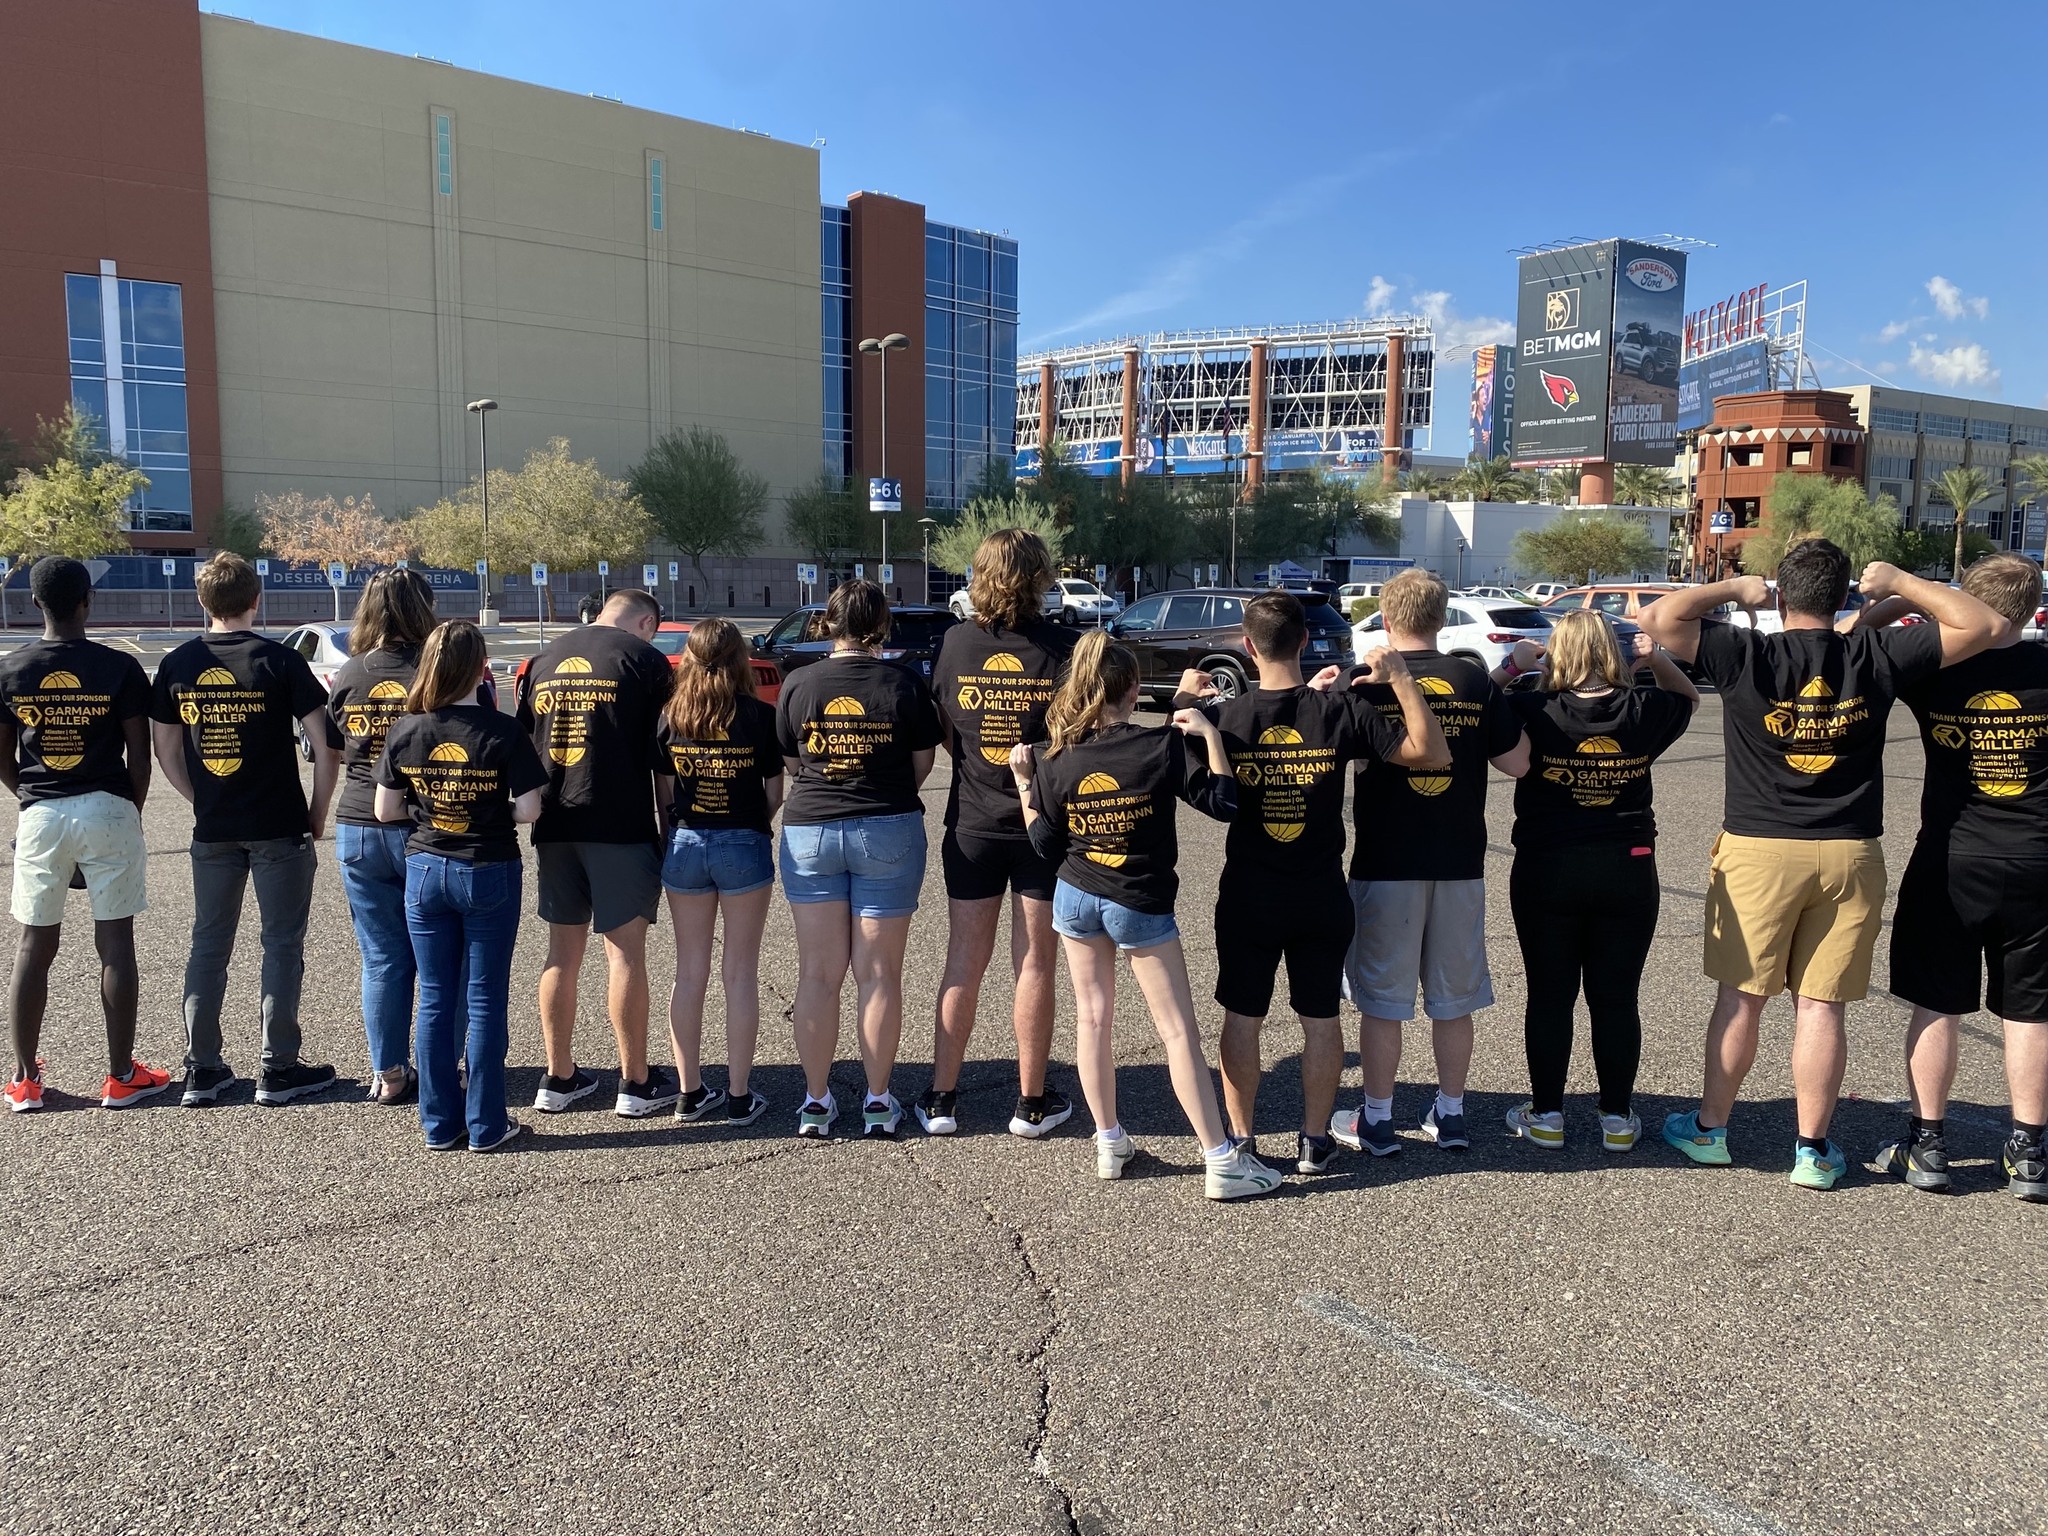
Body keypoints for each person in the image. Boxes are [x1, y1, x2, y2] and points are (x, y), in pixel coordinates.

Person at [1638, 540, 2006, 1189]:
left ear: (1781, 596)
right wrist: (1900, 584)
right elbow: (1982, 623)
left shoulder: (1749, 652)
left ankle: (1711, 1130)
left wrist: (1731, 591)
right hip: (1848, 851)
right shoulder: (1874, 653)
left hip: (1758, 849)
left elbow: (1660, 619)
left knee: (1741, 999)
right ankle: (1811, 1151)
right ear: (1845, 599)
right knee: (1821, 1007)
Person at [1170, 591, 1449, 1173]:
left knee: (1243, 1015)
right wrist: (1398, 678)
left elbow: (1173, 762)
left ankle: (1242, 1140)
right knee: (1320, 1016)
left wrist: (1183, 698)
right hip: (1320, 893)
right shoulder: (1340, 711)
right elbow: (1431, 753)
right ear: (1303, 641)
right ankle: (1314, 1139)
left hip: (1249, 892)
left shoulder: (1223, 721)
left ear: (1248, 648)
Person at [1008, 629, 1281, 1200]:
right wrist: (1209, 735)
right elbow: (1225, 804)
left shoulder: (1057, 757)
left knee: (1093, 1021)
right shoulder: (1159, 747)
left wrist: (1025, 785)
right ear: (1134, 690)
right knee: (1177, 1030)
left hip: (1076, 896)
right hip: (1139, 899)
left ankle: (1108, 1140)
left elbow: (1044, 845)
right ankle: (1220, 1159)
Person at [1860, 553, 2048, 1202]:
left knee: (1936, 1001)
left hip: (1951, 858)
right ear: (2030, 608)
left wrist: (1895, 596)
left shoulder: (1935, 669)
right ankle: (2029, 1151)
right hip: (2036, 861)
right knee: (2032, 1013)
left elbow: (1857, 647)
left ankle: (1928, 1143)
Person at [1330, 567, 1529, 1157]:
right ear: (1442, 620)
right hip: (1459, 857)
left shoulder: (1365, 682)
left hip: (1386, 858)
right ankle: (1452, 1113)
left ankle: (1379, 1118)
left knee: (1383, 1000)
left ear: (1387, 622)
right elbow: (1517, 763)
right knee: (1454, 999)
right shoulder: (1472, 679)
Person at [1494, 613, 1697, 1153]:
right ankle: (1616, 1117)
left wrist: (1510, 668)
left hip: (1548, 866)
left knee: (1550, 995)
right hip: (1626, 865)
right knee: (1616, 997)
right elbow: (1690, 700)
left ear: (1558, 653)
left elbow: (1478, 711)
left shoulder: (1531, 706)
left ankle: (1547, 1115)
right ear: (1614, 651)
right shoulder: (1645, 707)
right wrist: (1655, 658)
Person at [151, 552, 338, 1108]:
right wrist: (317, 812)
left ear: (202, 602)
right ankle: (277, 1068)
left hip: (214, 827)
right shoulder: (279, 663)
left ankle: (202, 1069)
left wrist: (200, 797)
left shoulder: (178, 664)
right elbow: (324, 747)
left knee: (208, 945)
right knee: (281, 943)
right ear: (256, 600)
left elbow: (165, 749)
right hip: (279, 824)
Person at [921, 529, 1079, 1138]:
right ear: (1041, 577)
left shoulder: (956, 644)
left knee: (964, 957)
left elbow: (945, 730)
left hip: (973, 823)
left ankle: (942, 1098)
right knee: (1035, 961)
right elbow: (1073, 736)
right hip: (1041, 822)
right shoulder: (1064, 647)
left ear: (979, 576)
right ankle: (1031, 1103)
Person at [775, 580, 942, 1138]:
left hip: (811, 830)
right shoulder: (903, 683)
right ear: (881, 624)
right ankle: (876, 1100)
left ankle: (816, 1102)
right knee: (878, 974)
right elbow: (922, 765)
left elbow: (793, 762)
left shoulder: (799, 683)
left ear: (829, 624)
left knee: (818, 975)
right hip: (887, 825)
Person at [0, 557, 165, 1112]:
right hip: (109, 806)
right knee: (115, 943)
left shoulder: (11, 670)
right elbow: (139, 756)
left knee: (33, 944)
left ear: (35, 604)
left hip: (41, 812)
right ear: (86, 603)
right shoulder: (119, 668)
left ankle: (24, 1081)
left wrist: (30, 796)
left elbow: (2, 758)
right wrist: (130, 810)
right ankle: (121, 1076)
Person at [375, 621, 547, 1152]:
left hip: (426, 868)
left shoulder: (408, 728)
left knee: (434, 997)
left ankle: (438, 1124)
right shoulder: (502, 731)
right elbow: (529, 809)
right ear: (481, 668)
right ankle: (486, 1125)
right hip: (488, 866)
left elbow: (385, 810)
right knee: (484, 998)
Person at [515, 588, 678, 1118]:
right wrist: (667, 825)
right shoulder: (646, 662)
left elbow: (523, 744)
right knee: (624, 953)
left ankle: (557, 1077)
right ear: (647, 622)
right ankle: (634, 1082)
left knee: (562, 951)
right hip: (619, 821)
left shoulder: (545, 658)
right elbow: (664, 757)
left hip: (555, 818)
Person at [653, 618, 782, 1128]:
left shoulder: (671, 715)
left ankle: (688, 1092)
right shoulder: (756, 716)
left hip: (684, 843)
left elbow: (664, 795)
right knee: (739, 973)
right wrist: (749, 823)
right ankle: (737, 1095)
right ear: (739, 659)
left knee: (689, 972)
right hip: (743, 840)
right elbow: (774, 793)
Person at [326, 568, 437, 1104]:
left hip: (358, 825)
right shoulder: (436, 668)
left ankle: (388, 1072)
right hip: (425, 823)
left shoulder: (349, 671)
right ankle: (444, 1066)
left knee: (382, 956)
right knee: (442, 956)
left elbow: (334, 740)